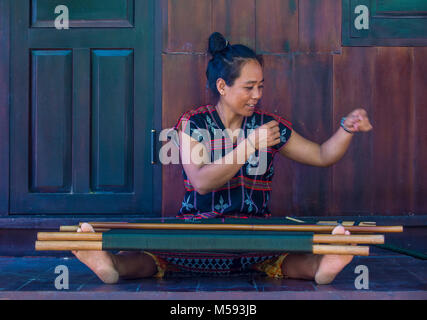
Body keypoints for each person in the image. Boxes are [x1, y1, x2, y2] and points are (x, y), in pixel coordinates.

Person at [72, 32, 373, 285]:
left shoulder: (270, 126)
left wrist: (347, 129)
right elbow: (201, 182)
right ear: (222, 87)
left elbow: (322, 155)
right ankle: (110, 265)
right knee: (150, 258)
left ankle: (324, 266)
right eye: (249, 87)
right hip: (198, 234)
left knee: (291, 261)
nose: (257, 95)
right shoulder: (194, 124)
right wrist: (249, 145)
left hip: (255, 237)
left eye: (261, 86)